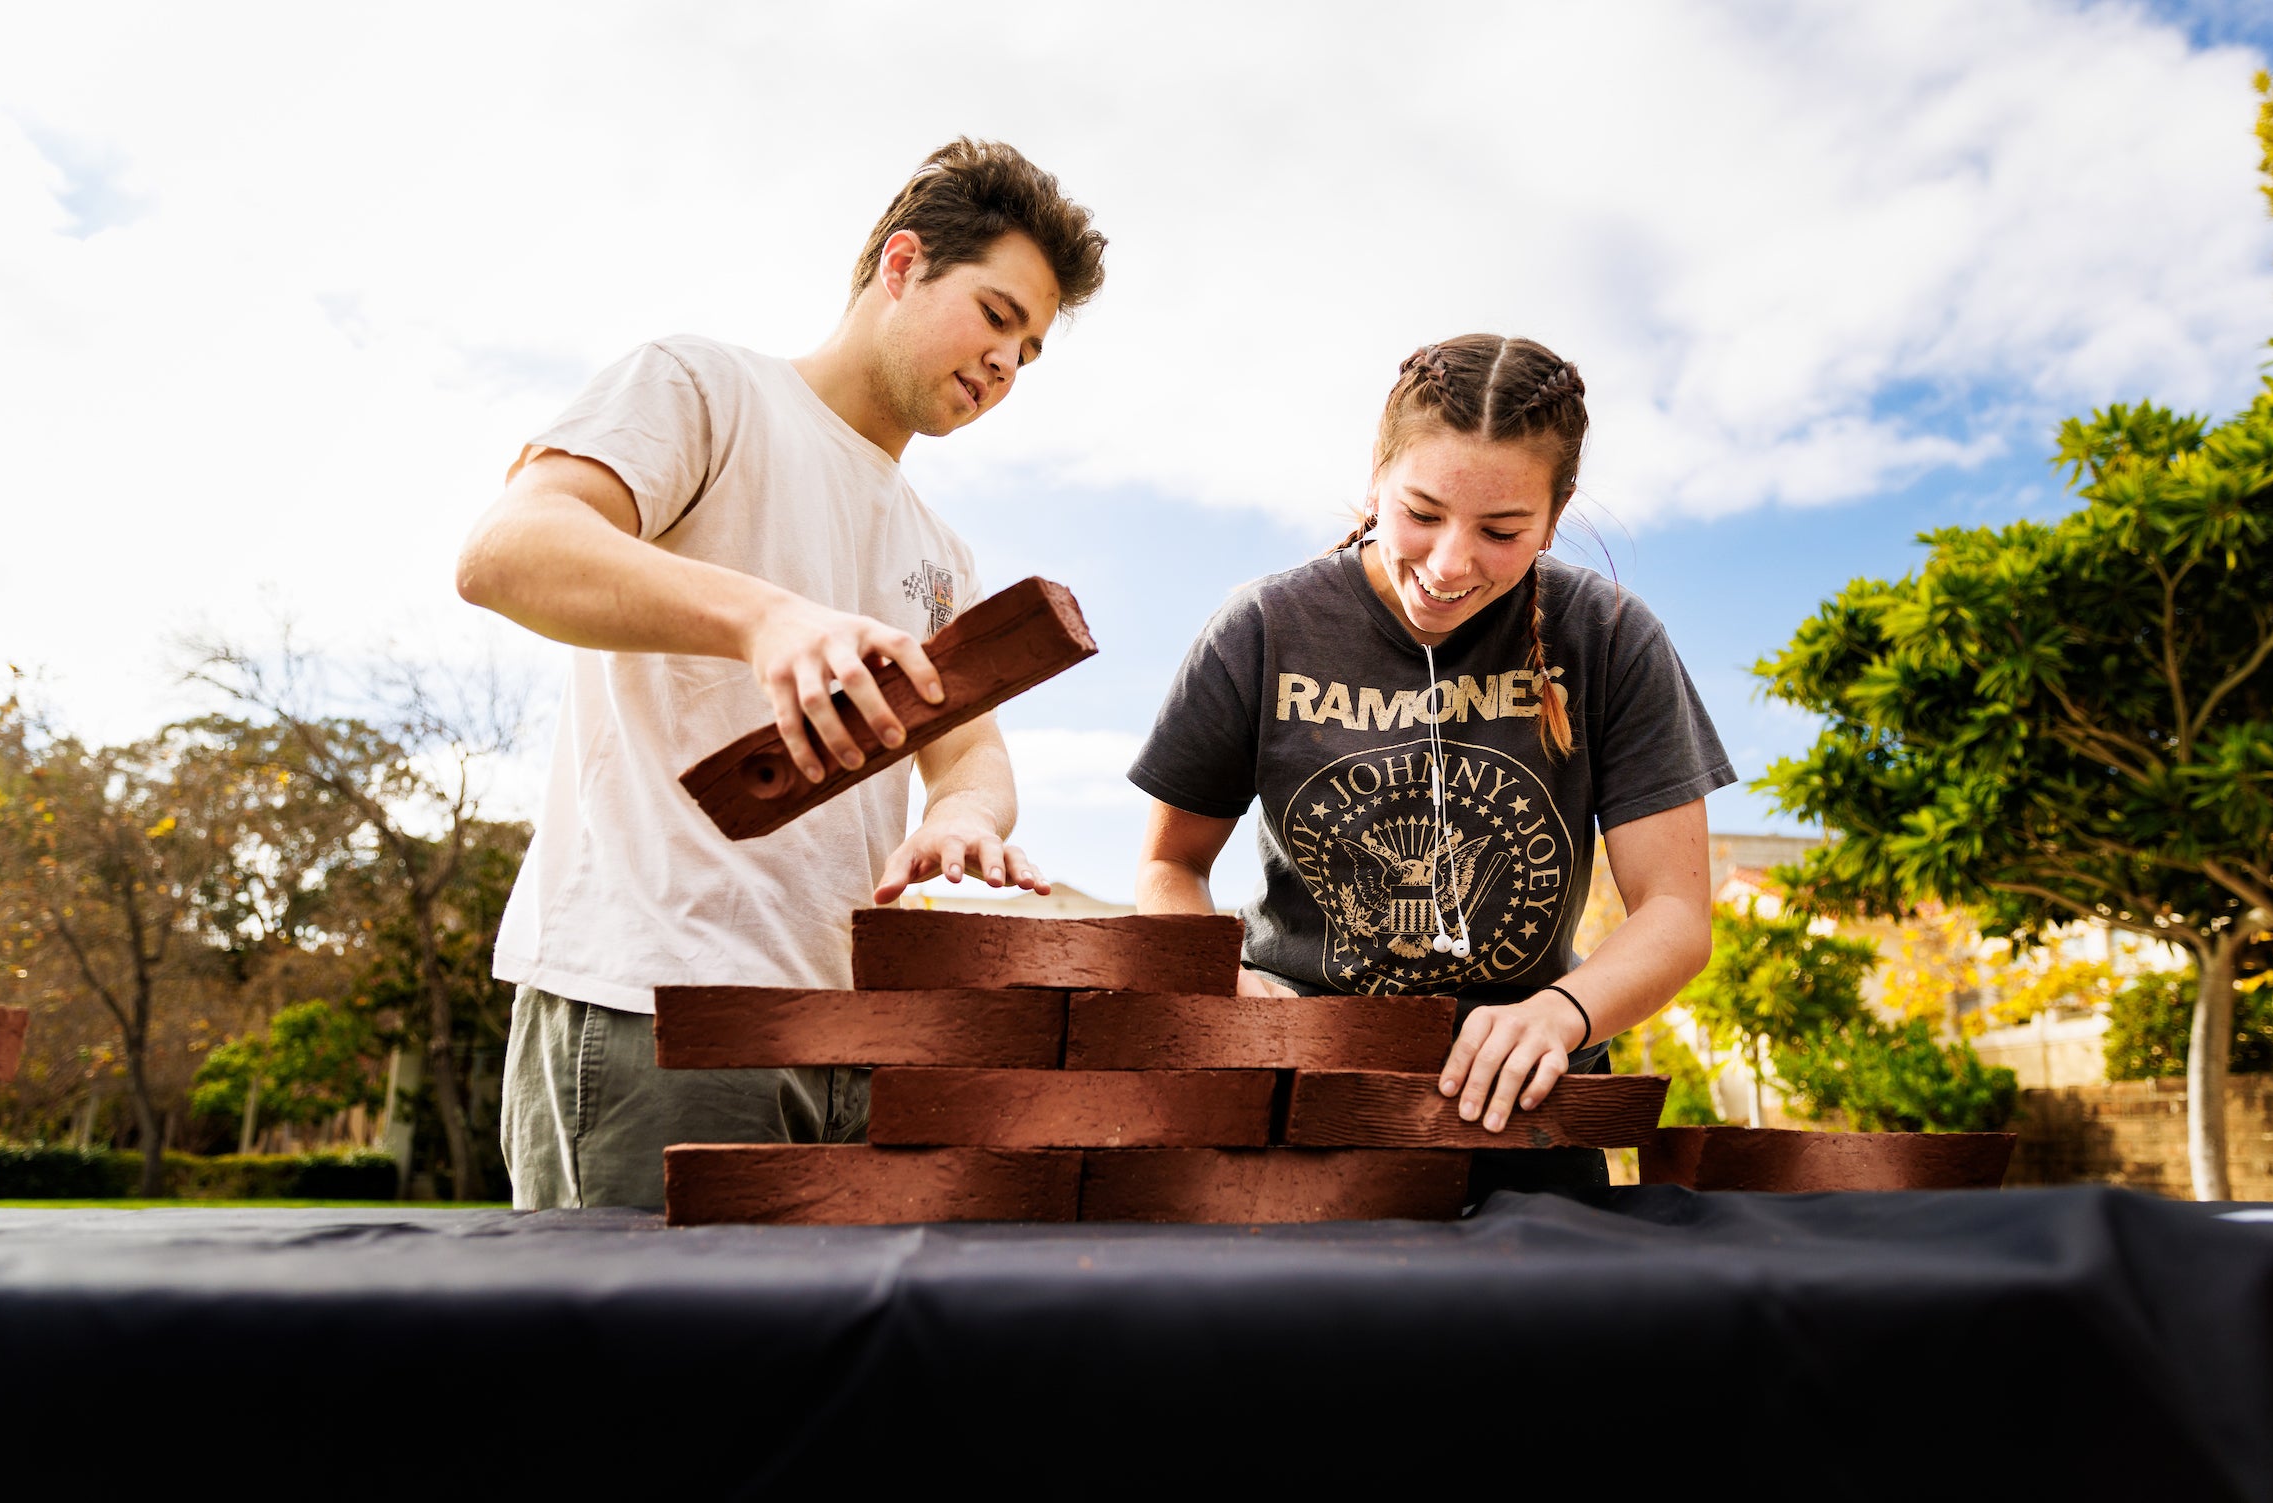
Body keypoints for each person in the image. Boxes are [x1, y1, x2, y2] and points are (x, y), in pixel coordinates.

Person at [456, 139, 1108, 1209]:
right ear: (902, 266)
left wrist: (965, 816)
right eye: (997, 317)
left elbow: (969, 744)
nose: (1006, 365)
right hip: (658, 1005)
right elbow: (506, 551)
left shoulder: (940, 551)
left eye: (1029, 352)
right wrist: (766, 620)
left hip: (850, 1031)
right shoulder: (703, 387)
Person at [1129, 334, 1733, 1199]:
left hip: (1523, 1113)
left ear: (1555, 517)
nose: (1450, 564)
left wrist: (1563, 1012)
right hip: (1292, 1099)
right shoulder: (1264, 626)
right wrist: (1219, 986)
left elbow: (1675, 911)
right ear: (1377, 476)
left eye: (1502, 531)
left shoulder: (1608, 637)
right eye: (1420, 512)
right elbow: (1167, 864)